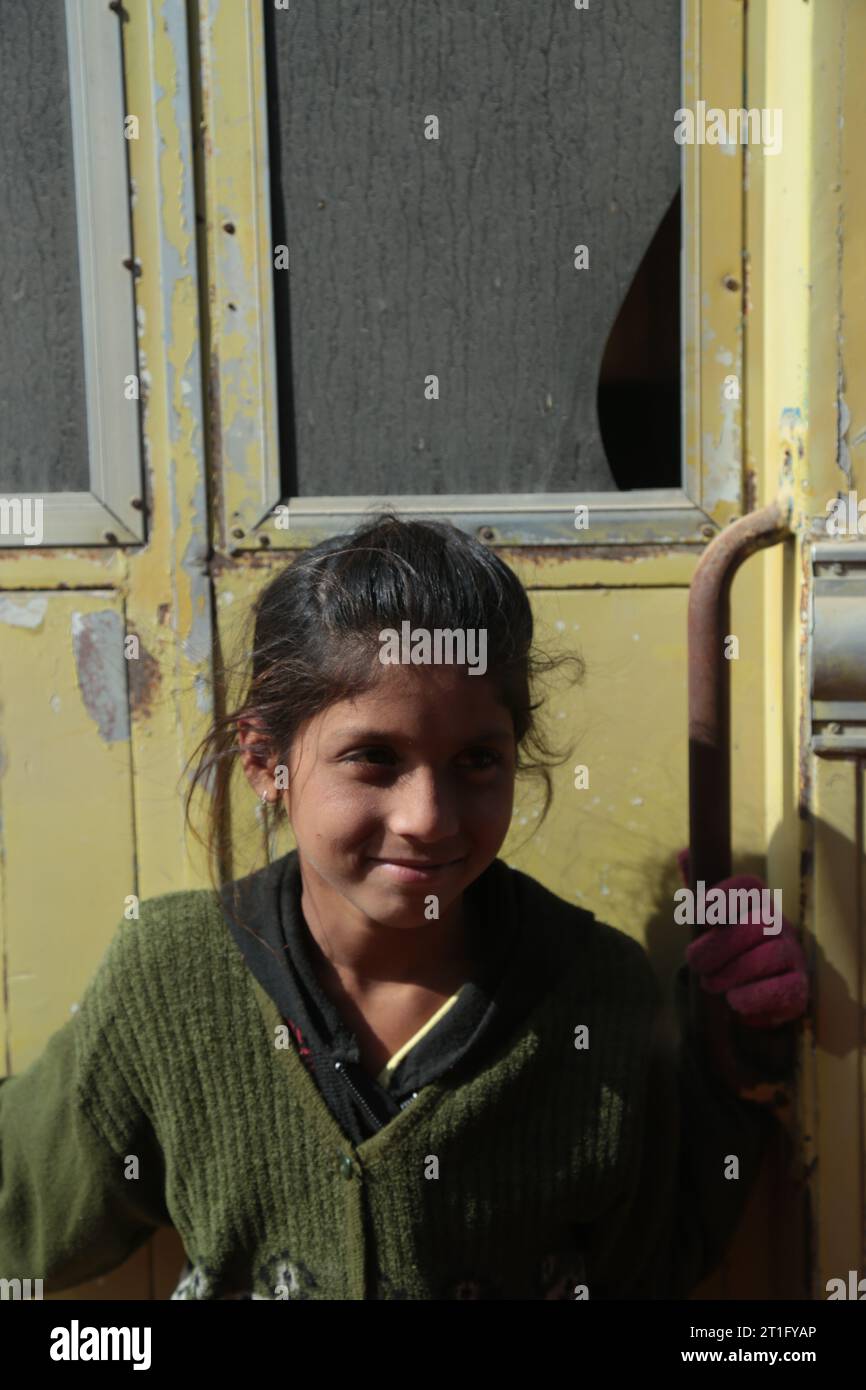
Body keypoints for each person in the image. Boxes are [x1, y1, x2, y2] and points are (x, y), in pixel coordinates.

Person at [0, 514, 808, 1300]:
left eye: (477, 761)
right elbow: (28, 1203)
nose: (429, 816)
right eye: (374, 758)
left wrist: (738, 1056)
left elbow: (655, 1257)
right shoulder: (170, 977)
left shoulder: (596, 993)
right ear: (262, 761)